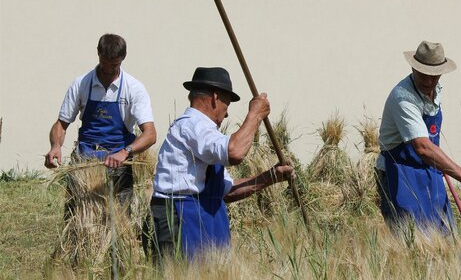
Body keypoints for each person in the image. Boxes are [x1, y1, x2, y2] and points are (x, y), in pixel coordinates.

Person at [144, 66, 294, 261]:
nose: (227, 114)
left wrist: (271, 177)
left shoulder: (206, 133)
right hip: (181, 219)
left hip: (203, 221)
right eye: (227, 104)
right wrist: (255, 115)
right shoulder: (192, 125)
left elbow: (226, 191)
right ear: (215, 97)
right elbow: (234, 152)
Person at [376, 41, 461, 231]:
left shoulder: (435, 91)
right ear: (413, 67)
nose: (428, 81)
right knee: (410, 239)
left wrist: (442, 167)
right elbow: (423, 147)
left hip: (429, 170)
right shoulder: (403, 97)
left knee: (445, 236)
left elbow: (429, 143)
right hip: (399, 173)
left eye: (434, 76)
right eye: (423, 74)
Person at [44, 33, 156, 204]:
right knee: (78, 213)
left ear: (123, 59)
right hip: (85, 161)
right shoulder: (81, 84)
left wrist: (125, 152)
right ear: (98, 53)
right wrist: (55, 146)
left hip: (119, 163)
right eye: (105, 63)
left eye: (115, 64)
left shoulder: (134, 88)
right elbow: (62, 123)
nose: (109, 69)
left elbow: (150, 134)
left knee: (119, 217)